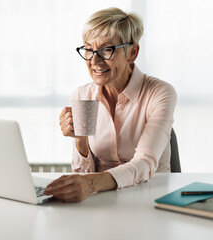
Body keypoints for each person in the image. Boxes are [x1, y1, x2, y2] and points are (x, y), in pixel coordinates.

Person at [43, 7, 177, 203]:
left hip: (152, 197)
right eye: (88, 49)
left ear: (132, 52)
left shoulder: (159, 92)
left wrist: (91, 184)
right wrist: (80, 140)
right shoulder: (82, 95)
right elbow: (82, 174)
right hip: (102, 200)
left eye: (106, 49)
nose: (95, 60)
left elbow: (145, 163)